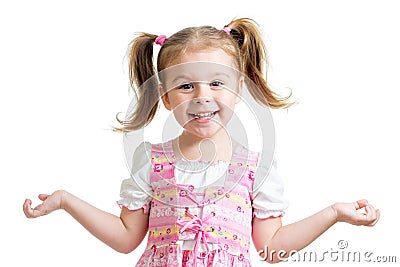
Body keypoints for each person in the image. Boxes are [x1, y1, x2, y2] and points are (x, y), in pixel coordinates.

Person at [23, 18, 380, 266]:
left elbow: (270, 249)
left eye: (217, 83)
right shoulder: (152, 162)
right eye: (185, 86)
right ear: (164, 97)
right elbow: (125, 239)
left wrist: (334, 213)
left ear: (239, 89)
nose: (202, 97)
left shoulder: (256, 169)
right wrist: (65, 201)